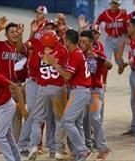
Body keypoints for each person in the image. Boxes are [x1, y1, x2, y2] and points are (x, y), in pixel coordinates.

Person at [43, 29, 92, 161]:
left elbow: (67, 75)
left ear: (69, 42)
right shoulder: (75, 53)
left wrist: (53, 63)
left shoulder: (75, 54)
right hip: (79, 91)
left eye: (64, 40)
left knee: (67, 121)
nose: (63, 41)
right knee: (76, 123)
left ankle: (83, 150)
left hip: (80, 91)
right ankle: (80, 153)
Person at [0, 16, 28, 153]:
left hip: (20, 86)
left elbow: (20, 50)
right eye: (12, 32)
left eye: (17, 31)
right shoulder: (1, 45)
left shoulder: (24, 47)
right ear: (6, 35)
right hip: (4, 86)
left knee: (18, 114)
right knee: (0, 113)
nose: (15, 34)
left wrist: (21, 36)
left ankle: (15, 142)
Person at [26, 31, 69, 161]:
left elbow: (31, 67)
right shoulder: (62, 50)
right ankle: (58, 150)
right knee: (59, 120)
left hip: (42, 89)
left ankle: (33, 146)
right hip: (58, 89)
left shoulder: (39, 52)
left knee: (37, 119)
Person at [79, 30, 113, 160]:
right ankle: (88, 146)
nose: (82, 44)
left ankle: (103, 147)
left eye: (85, 42)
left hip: (95, 91)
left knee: (95, 118)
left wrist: (96, 57)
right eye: (81, 42)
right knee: (84, 120)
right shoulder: (78, 53)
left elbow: (110, 65)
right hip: (82, 91)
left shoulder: (98, 53)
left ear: (92, 42)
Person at [95, 0, 129, 74]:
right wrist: (96, 31)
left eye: (116, 4)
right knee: (107, 59)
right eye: (113, 3)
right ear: (110, 4)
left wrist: (128, 38)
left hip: (120, 39)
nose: (114, 5)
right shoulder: (106, 13)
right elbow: (98, 22)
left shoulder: (122, 13)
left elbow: (127, 27)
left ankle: (121, 65)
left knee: (118, 60)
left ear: (119, 5)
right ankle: (104, 80)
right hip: (109, 39)